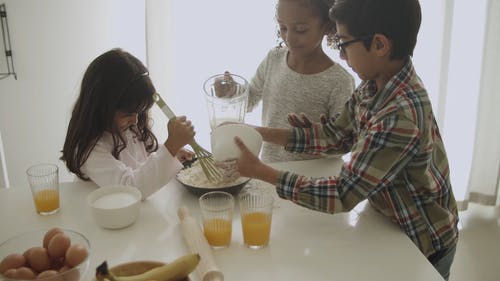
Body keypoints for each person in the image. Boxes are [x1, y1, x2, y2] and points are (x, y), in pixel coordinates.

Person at [233, 0, 459, 279]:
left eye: (343, 44)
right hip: (387, 222)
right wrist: (260, 133)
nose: (341, 55)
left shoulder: (399, 115)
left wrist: (261, 172)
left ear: (379, 45)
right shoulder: (375, 82)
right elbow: (336, 136)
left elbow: (342, 194)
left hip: (421, 241)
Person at [61, 48, 195, 199]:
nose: (136, 120)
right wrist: (170, 148)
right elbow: (130, 189)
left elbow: (141, 156)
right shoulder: (90, 150)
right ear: (101, 108)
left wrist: (170, 152)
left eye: (139, 112)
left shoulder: (128, 126)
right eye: (128, 114)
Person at [233, 0, 355, 163]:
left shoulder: (340, 81)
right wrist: (232, 94)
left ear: (327, 26)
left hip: (313, 182)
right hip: (269, 169)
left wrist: (313, 134)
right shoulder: (274, 58)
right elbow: (249, 100)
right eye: (283, 28)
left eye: (300, 30)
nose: (289, 38)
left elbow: (340, 144)